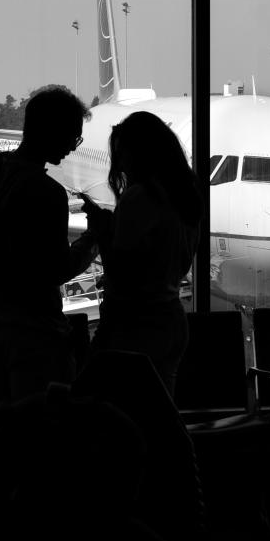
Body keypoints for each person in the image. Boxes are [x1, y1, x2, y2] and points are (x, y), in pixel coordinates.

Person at [0, 84, 97, 402]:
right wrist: (95, 238)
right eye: (72, 136)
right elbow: (56, 270)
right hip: (33, 334)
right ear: (51, 131)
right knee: (39, 431)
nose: (73, 146)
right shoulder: (46, 191)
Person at [81, 110, 203, 397]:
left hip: (136, 323)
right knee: (158, 415)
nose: (119, 163)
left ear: (140, 154)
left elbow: (122, 274)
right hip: (172, 317)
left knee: (112, 413)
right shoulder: (186, 195)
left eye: (123, 153)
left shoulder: (140, 197)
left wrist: (102, 232)